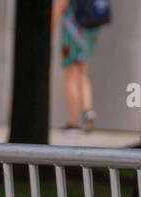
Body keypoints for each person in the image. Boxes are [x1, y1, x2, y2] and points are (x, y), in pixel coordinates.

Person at [53, 0, 101, 132]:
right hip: (89, 29)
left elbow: (62, 4)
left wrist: (50, 25)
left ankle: (73, 122)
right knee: (83, 73)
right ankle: (87, 110)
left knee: (71, 75)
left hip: (72, 28)